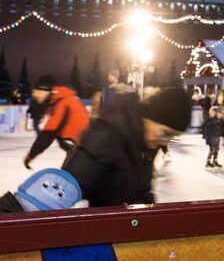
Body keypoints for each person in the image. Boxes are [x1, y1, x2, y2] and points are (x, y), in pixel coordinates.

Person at [61, 87, 191, 207]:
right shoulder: (105, 136)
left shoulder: (145, 146)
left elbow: (141, 192)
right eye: (164, 133)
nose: (165, 142)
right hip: (90, 224)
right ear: (148, 118)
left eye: (172, 137)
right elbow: (65, 191)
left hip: (114, 224)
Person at [23, 75, 89, 170]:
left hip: (78, 147)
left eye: (38, 92)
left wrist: (31, 155)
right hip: (82, 147)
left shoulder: (63, 103)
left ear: (48, 90)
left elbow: (48, 134)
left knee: (67, 179)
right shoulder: (67, 99)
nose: (35, 95)